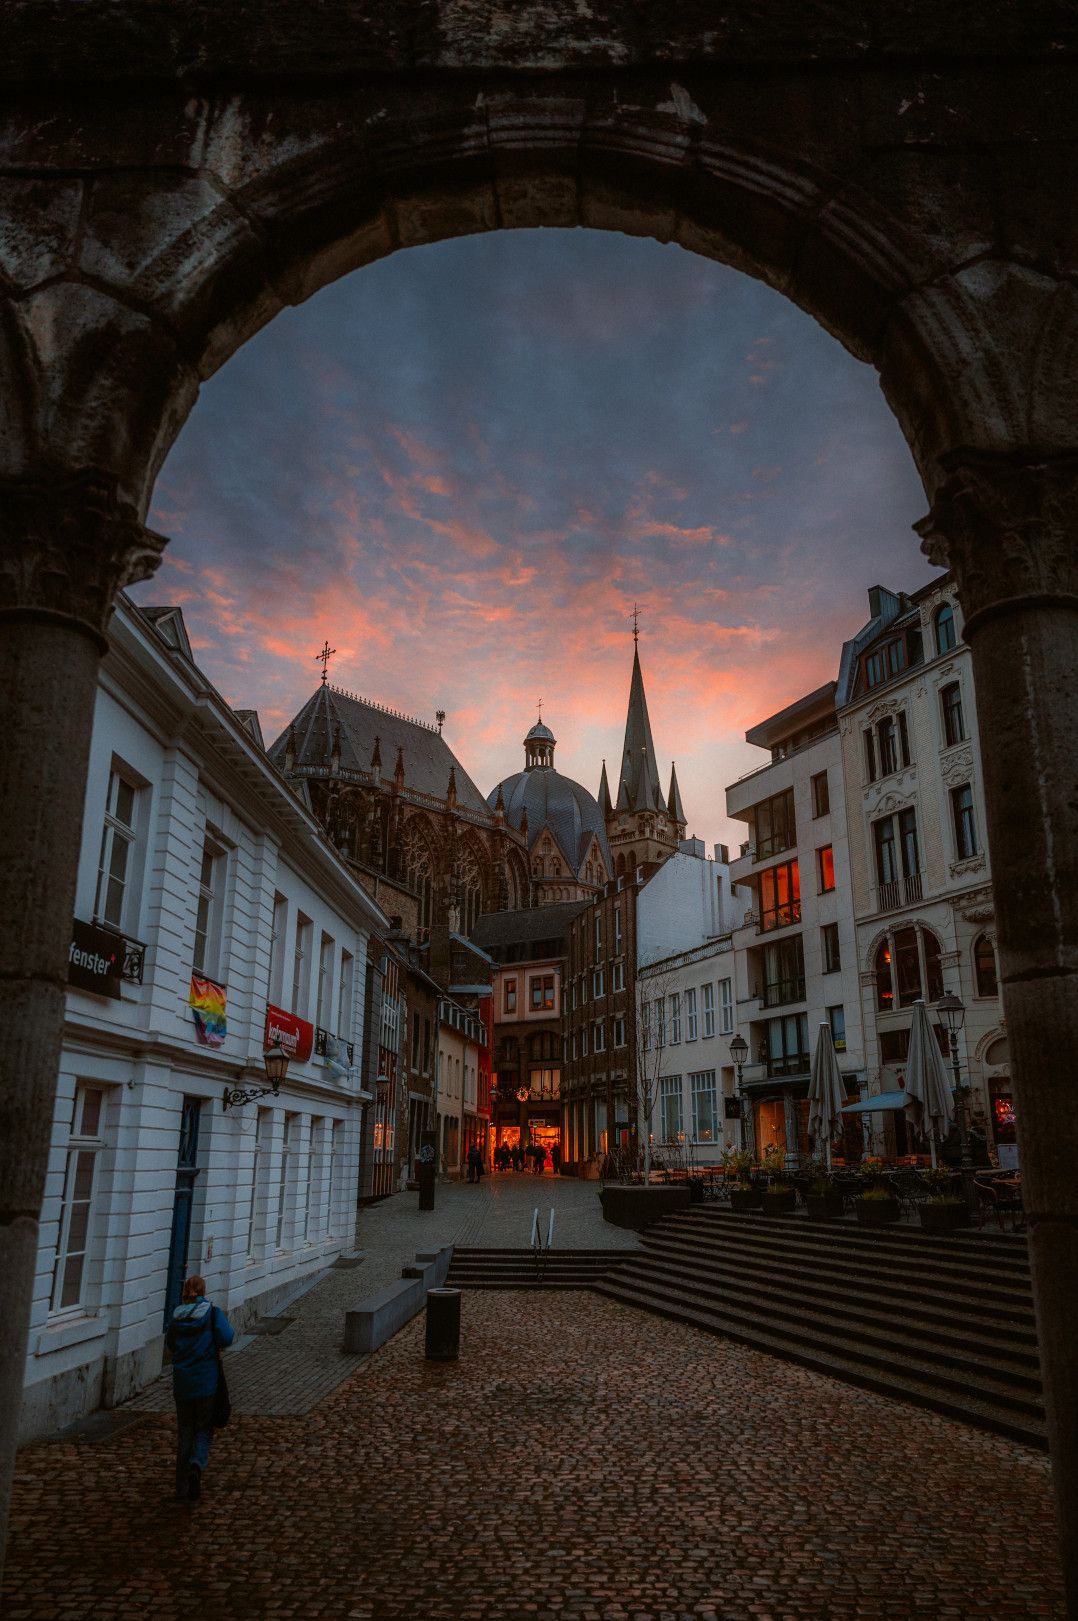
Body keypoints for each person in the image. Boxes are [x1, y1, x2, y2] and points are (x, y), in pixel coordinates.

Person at [166, 1273, 234, 1503]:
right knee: (204, 1429)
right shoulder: (212, 1313)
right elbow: (227, 1338)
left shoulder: (176, 1317)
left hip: (183, 1384)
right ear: (203, 1292)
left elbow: (171, 1345)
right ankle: (197, 1464)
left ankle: (181, 1489)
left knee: (185, 1433)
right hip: (206, 1381)